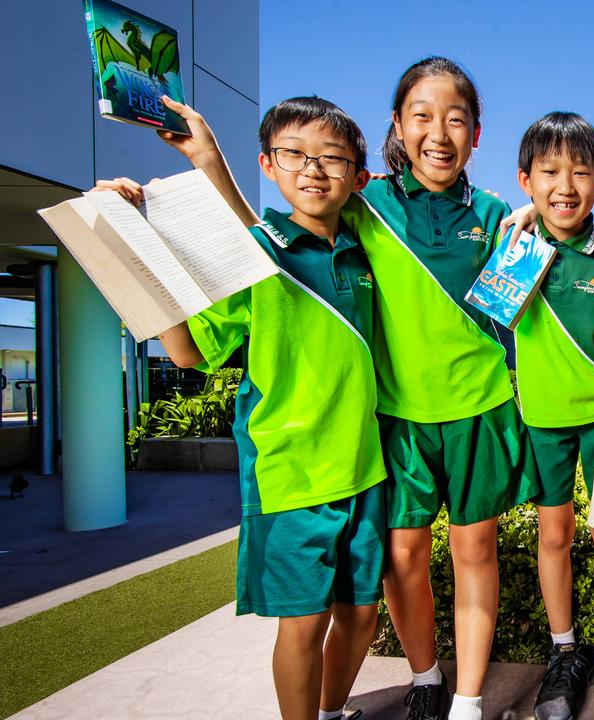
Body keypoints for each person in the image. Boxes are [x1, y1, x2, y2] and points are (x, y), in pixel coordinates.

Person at [97, 95, 385, 720]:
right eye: (295, 155)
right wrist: (135, 238)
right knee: (303, 626)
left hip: (366, 468)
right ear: (268, 164)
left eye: (332, 158)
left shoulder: (365, 252)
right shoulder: (255, 263)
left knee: (361, 617)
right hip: (289, 473)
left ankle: (332, 712)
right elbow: (186, 352)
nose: (313, 169)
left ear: (358, 178)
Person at [337, 56, 542, 720]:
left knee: (475, 550)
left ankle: (469, 698)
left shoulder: (498, 217)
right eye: (422, 116)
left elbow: (575, 254)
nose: (439, 133)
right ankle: (426, 677)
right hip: (399, 418)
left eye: (456, 119)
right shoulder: (366, 206)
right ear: (398, 124)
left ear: (476, 134)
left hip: (479, 411)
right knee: (403, 559)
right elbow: (282, 217)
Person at [512, 112, 594, 720]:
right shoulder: (514, 244)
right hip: (542, 424)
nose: (565, 185)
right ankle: (565, 654)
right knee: (553, 536)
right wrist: (524, 222)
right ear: (526, 181)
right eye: (550, 172)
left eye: (581, 172)